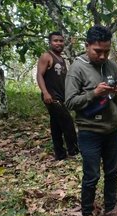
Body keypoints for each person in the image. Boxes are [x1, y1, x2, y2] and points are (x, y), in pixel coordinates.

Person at [65, 25, 117, 216]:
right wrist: (94, 93)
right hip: (89, 131)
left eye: (106, 51)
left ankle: (110, 209)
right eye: (97, 51)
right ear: (87, 46)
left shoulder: (112, 67)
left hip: (111, 129)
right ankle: (87, 215)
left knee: (112, 171)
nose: (102, 56)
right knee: (91, 174)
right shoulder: (77, 69)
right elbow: (70, 102)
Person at [36, 31, 79, 160]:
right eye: (55, 41)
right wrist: (45, 93)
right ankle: (74, 151)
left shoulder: (61, 59)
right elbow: (39, 75)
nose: (59, 43)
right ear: (50, 43)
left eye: (61, 41)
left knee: (56, 125)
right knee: (68, 123)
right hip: (51, 96)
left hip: (61, 96)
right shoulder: (46, 56)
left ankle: (60, 154)